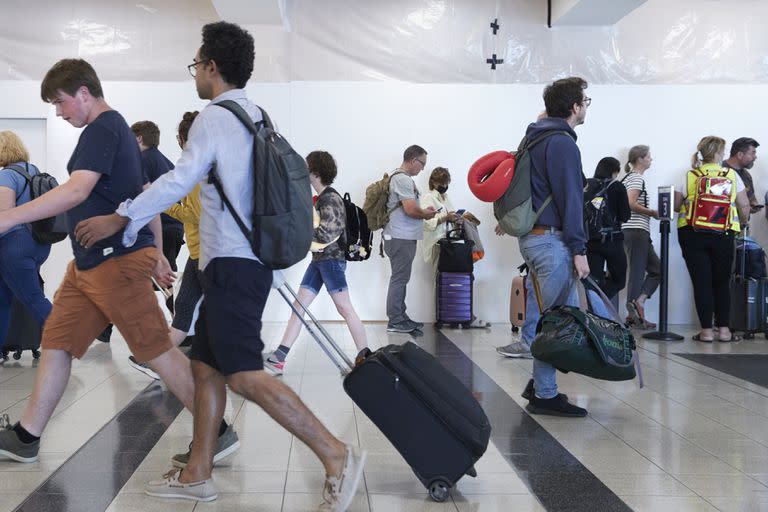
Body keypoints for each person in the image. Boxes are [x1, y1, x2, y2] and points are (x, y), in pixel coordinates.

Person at [73, 22, 366, 509]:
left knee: (245, 374)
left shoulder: (214, 117)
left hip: (234, 264)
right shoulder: (256, 115)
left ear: (212, 67)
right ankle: (198, 473)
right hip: (237, 263)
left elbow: (178, 180)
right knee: (206, 367)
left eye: (196, 64)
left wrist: (119, 217)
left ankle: (335, 454)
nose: (195, 73)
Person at [0, 58, 238, 468]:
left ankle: (216, 431)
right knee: (56, 340)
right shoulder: (116, 132)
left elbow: (77, 190)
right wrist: (159, 250)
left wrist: (9, 217)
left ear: (84, 93)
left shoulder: (103, 128)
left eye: (60, 103)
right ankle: (26, 436)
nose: (59, 112)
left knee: (157, 349)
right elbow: (146, 193)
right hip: (90, 265)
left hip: (116, 262)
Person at [510, 77, 593, 417]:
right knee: (557, 323)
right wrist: (579, 248)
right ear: (574, 107)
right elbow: (571, 199)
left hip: (536, 239)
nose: (587, 105)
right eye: (585, 100)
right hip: (552, 240)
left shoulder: (536, 138)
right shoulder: (561, 144)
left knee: (554, 319)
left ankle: (540, 385)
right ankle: (545, 394)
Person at [264, 150, 368, 376]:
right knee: (298, 307)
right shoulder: (323, 198)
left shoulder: (330, 198)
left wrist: (299, 241)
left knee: (344, 308)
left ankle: (365, 355)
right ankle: (279, 358)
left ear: (315, 171)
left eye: (307, 167)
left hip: (331, 262)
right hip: (320, 262)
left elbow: (328, 233)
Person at [127, 112, 202, 381]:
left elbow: (194, 213)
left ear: (182, 139)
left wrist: (165, 204)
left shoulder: (195, 167)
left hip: (205, 253)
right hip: (197, 250)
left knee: (187, 309)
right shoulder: (184, 164)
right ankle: (155, 360)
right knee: (182, 310)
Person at [674, 136, 750, 343]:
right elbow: (743, 205)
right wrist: (743, 222)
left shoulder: (690, 175)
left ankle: (706, 332)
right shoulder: (732, 175)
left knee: (702, 283)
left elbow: (675, 205)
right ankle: (724, 331)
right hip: (724, 234)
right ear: (719, 154)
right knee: (722, 282)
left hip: (692, 233)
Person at [0, 131, 53, 363]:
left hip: (15, 244)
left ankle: (69, 340)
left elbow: (4, 217)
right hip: (39, 243)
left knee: (32, 298)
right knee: (3, 297)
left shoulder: (7, 176)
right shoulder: (33, 171)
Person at [384, 145, 437, 333]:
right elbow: (411, 209)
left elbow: (411, 208)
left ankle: (401, 316)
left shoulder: (399, 178)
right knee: (399, 278)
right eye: (422, 164)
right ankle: (395, 320)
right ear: (413, 160)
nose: (422, 168)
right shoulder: (402, 179)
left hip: (401, 236)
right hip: (401, 236)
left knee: (401, 277)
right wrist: (426, 214)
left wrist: (423, 211)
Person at [621, 145, 661, 329]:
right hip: (636, 231)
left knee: (657, 269)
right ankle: (633, 315)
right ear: (640, 159)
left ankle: (639, 303)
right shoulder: (636, 178)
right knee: (637, 272)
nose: (651, 159)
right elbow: (630, 203)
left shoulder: (628, 178)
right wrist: (652, 212)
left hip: (634, 231)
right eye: (649, 156)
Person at [584, 157, 631, 302]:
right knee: (619, 281)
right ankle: (601, 304)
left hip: (590, 241)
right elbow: (625, 216)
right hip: (612, 241)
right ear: (615, 171)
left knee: (593, 284)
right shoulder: (617, 187)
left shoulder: (587, 185)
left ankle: (595, 312)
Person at [721, 137, 760, 215]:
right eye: (753, 153)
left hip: (741, 226)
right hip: (722, 225)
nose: (755, 157)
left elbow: (752, 199)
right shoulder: (719, 171)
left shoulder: (747, 175)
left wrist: (754, 205)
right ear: (740, 154)